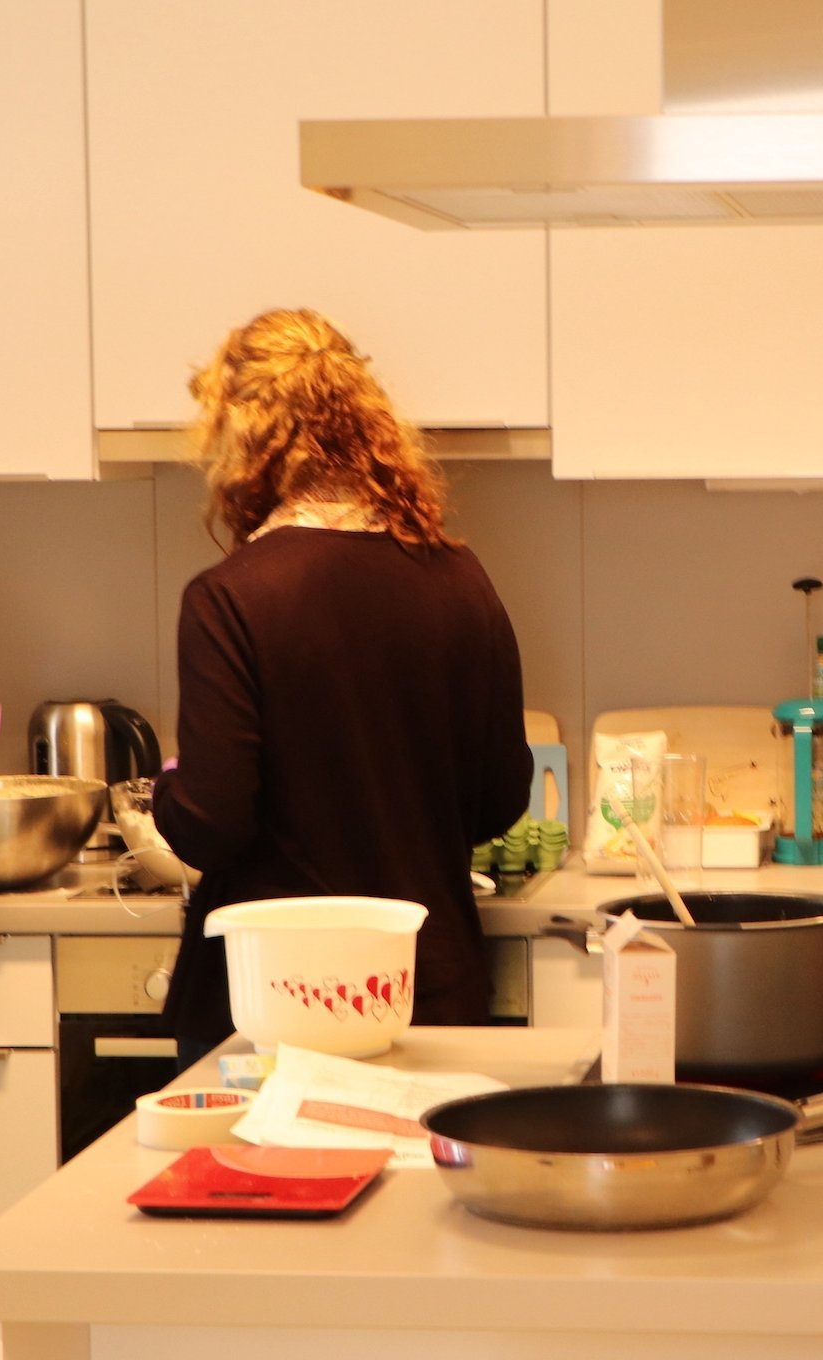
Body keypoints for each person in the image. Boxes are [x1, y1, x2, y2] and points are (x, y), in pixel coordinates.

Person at [154, 308, 531, 1067]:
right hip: (427, 989)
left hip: (275, 1004)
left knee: (269, 1187)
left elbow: (212, 820)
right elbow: (499, 799)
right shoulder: (461, 580)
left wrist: (166, 793)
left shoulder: (230, 596)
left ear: (242, 438)